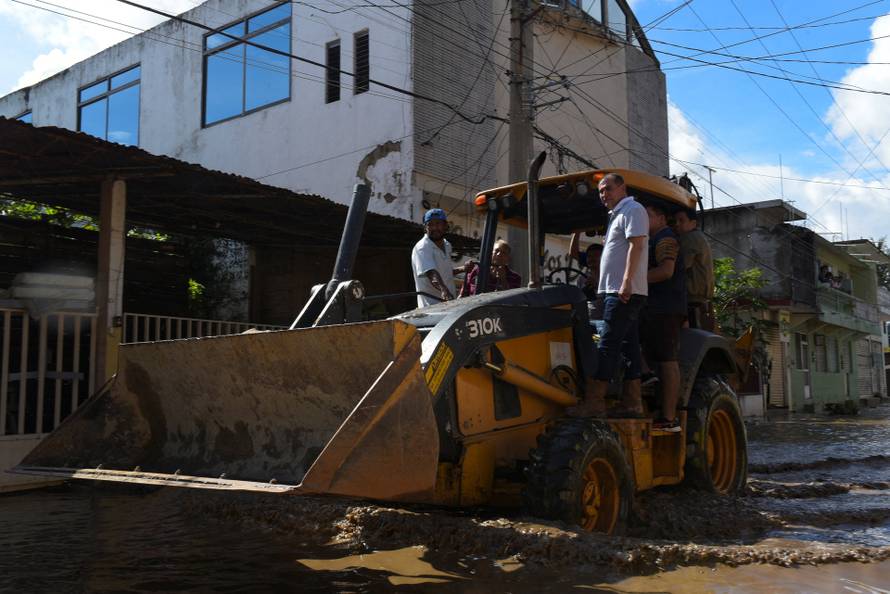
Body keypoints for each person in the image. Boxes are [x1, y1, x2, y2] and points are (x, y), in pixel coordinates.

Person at [568, 173, 649, 418]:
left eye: (608, 189)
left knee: (607, 345)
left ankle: (594, 401)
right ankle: (634, 403)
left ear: (623, 188)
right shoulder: (616, 215)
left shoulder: (632, 209)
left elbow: (637, 245)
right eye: (601, 191)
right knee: (629, 345)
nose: (604, 194)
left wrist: (625, 282)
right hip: (618, 290)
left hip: (622, 291)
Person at [642, 203, 686, 432]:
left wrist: (633, 280)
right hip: (653, 308)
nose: (641, 219)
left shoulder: (665, 238)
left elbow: (666, 271)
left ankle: (669, 418)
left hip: (665, 308)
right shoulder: (650, 240)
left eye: (646, 214)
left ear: (660, 217)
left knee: (667, 360)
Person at [411, 209, 468, 307]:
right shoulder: (422, 247)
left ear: (446, 226)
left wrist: (463, 269)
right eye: (430, 224)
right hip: (431, 308)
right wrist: (444, 290)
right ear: (425, 227)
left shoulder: (447, 245)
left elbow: (444, 272)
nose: (435, 228)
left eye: (438, 223)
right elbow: (431, 274)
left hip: (449, 305)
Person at [674, 208, 715, 331]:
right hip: (700, 299)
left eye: (681, 220)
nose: (677, 224)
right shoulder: (699, 237)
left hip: (692, 298)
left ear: (693, 223)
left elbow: (680, 267)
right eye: (675, 221)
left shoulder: (690, 237)